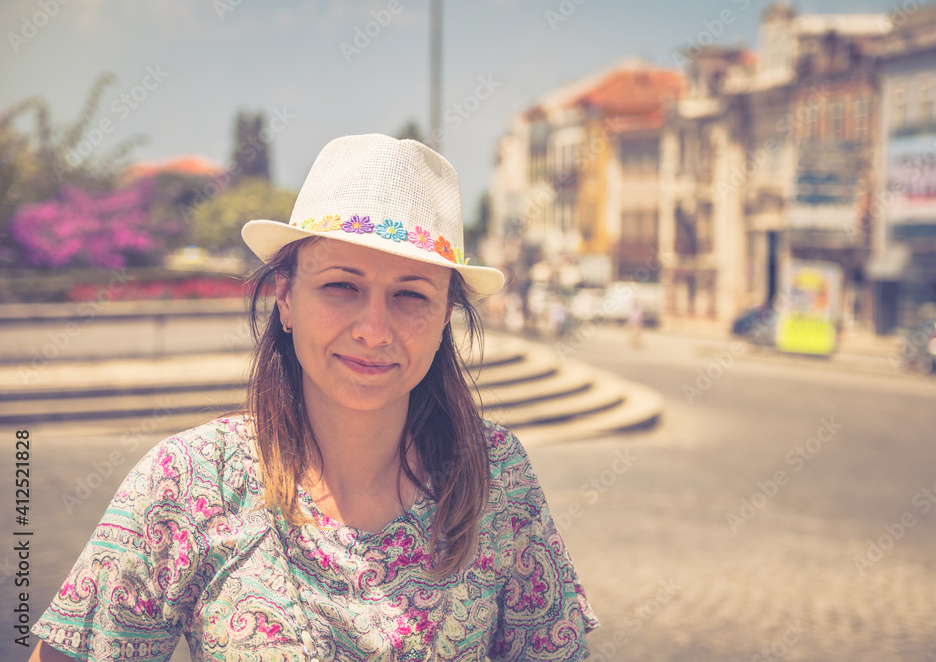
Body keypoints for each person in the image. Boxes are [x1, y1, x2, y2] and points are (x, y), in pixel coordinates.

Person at [29, 134, 598, 661]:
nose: (374, 330)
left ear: (444, 318)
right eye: (341, 286)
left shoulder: (496, 476)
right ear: (285, 297)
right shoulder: (190, 479)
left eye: (410, 295)